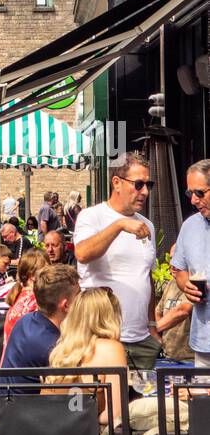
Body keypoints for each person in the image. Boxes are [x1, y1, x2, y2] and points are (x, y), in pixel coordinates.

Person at [44, 288, 162, 435]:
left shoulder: (61, 352)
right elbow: (114, 415)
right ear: (109, 316)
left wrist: (79, 412)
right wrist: (91, 414)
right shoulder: (111, 348)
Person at [74, 153, 160, 371]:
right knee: (105, 403)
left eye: (148, 184)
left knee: (141, 405)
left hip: (140, 339)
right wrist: (118, 225)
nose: (145, 192)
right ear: (116, 183)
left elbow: (146, 276)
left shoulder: (146, 225)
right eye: (138, 184)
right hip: (100, 338)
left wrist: (152, 326)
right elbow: (82, 253)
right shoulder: (92, 216)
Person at [0, 264, 79, 394]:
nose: (82, 299)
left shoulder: (26, 320)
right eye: (78, 295)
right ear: (66, 305)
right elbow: (74, 399)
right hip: (23, 411)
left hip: (5, 406)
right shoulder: (52, 347)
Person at [171, 158, 210, 369]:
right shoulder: (190, 226)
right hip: (203, 342)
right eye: (190, 193)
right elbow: (180, 270)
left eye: (200, 193)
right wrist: (185, 283)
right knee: (203, 401)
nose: (193, 200)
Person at [2, 249, 49, 349]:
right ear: (33, 276)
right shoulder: (37, 300)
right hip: (24, 361)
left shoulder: (19, 294)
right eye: (47, 271)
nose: (51, 274)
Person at [155, 246, 194, 364]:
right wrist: (158, 339)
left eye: (177, 260)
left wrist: (151, 331)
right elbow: (158, 311)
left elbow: (182, 311)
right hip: (169, 357)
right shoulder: (171, 283)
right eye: (171, 259)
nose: (173, 263)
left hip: (191, 359)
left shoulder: (196, 283)